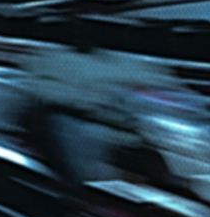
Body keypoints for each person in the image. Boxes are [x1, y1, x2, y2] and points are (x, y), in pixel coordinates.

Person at [14, 30, 188, 185]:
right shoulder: (51, 60)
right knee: (64, 125)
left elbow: (167, 90)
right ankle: (78, 190)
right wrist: (93, 103)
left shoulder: (133, 63)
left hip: (130, 128)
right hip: (84, 129)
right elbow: (44, 91)